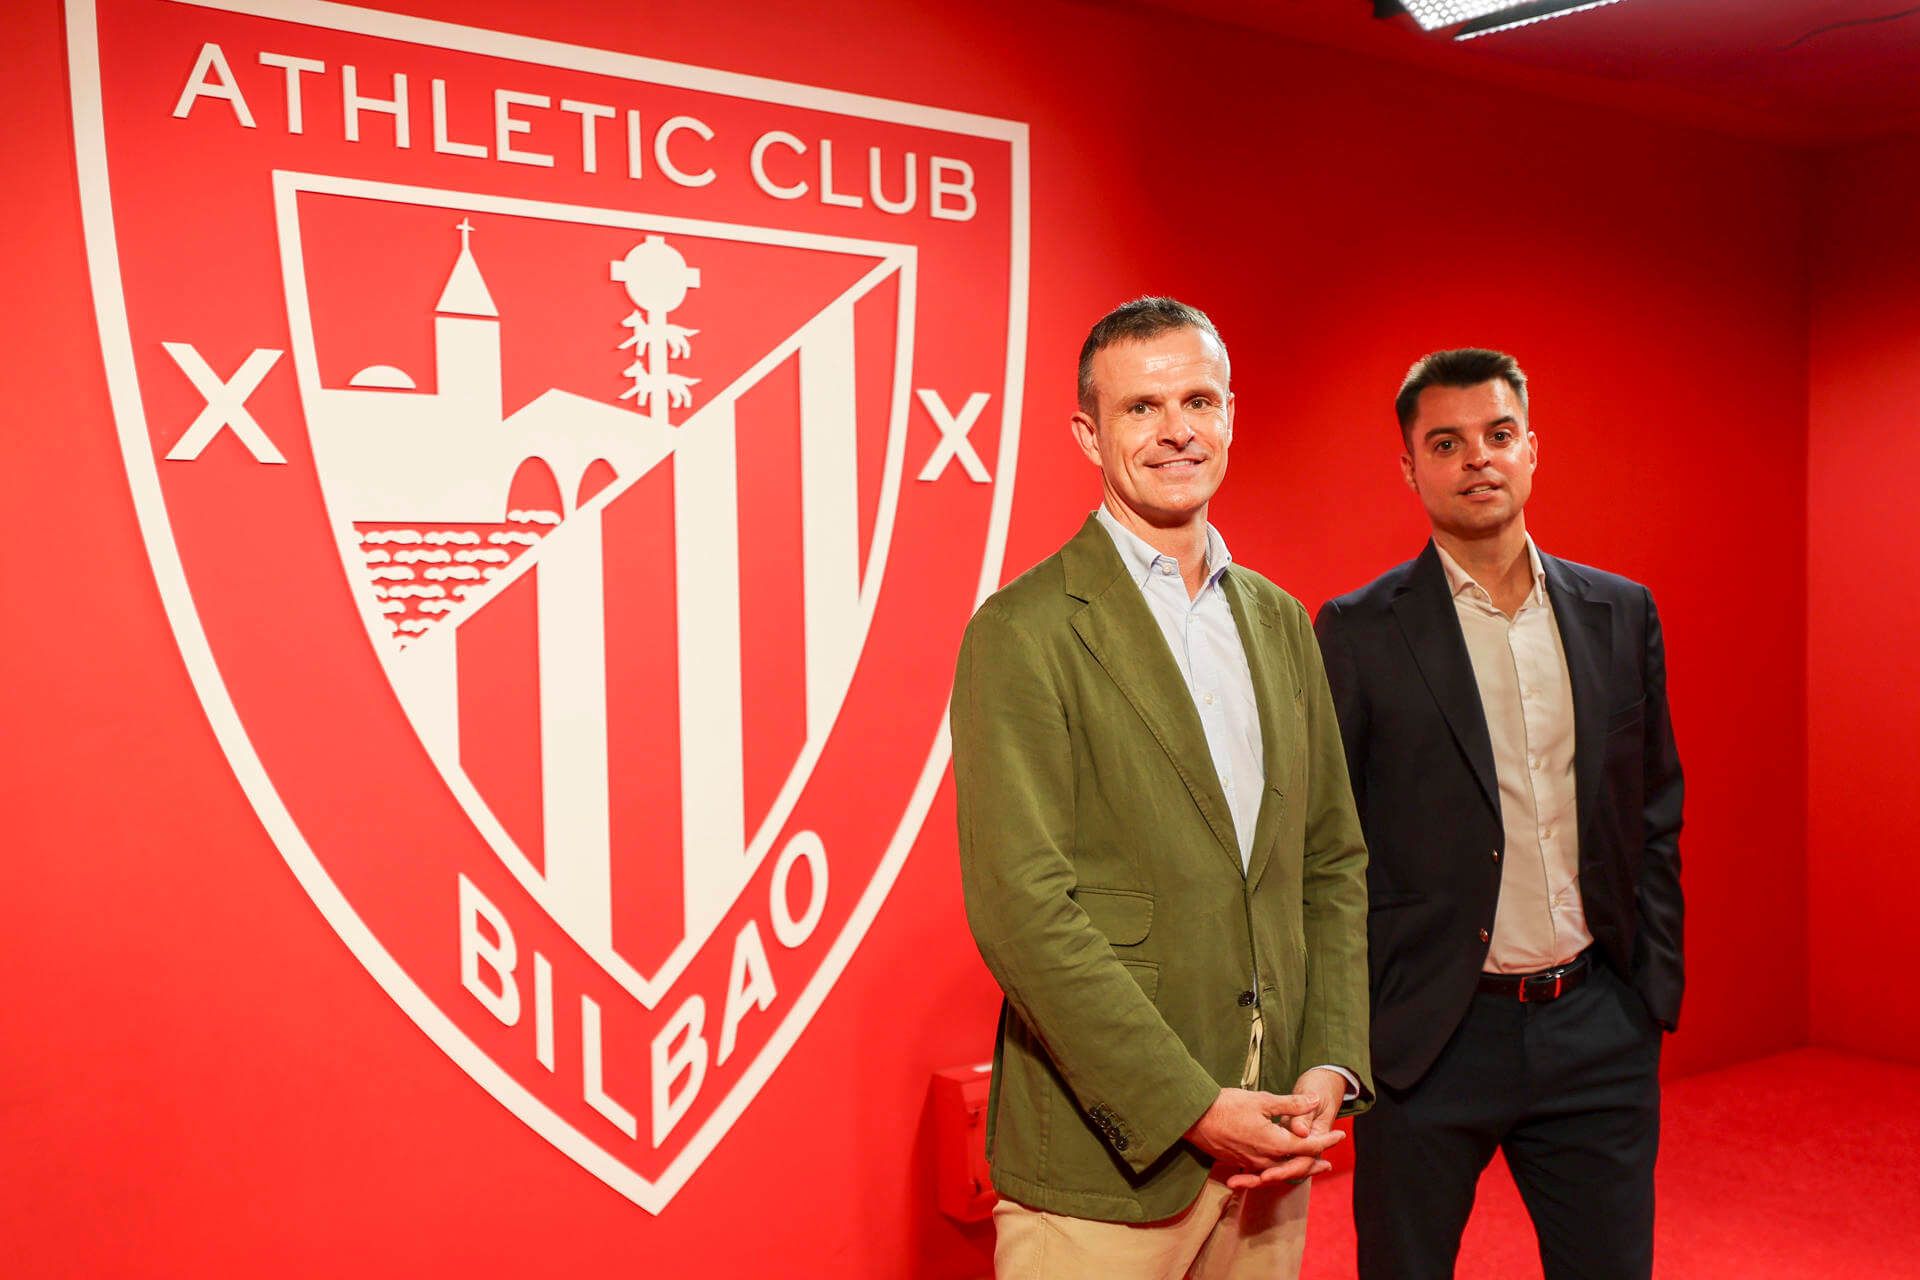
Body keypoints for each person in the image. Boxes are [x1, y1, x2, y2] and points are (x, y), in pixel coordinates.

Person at [950, 297, 1371, 1278]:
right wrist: (1191, 1106)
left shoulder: (1280, 620)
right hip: (1108, 1167)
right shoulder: (1024, 629)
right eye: (1142, 408)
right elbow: (1022, 909)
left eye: (1200, 400)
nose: (1179, 429)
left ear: (1232, 414)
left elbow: (1330, 860)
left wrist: (1329, 1062)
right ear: (1088, 434)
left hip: (1271, 1144)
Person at [1315, 348, 1685, 1279]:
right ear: (1411, 467)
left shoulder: (1620, 611)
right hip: (1433, 1040)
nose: (1477, 457)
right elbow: (1330, 846)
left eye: (1498, 434)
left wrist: (1650, 990)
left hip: (1596, 1023)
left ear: (1531, 451)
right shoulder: (1357, 632)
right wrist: (1360, 1032)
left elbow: (1653, 809)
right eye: (1446, 441)